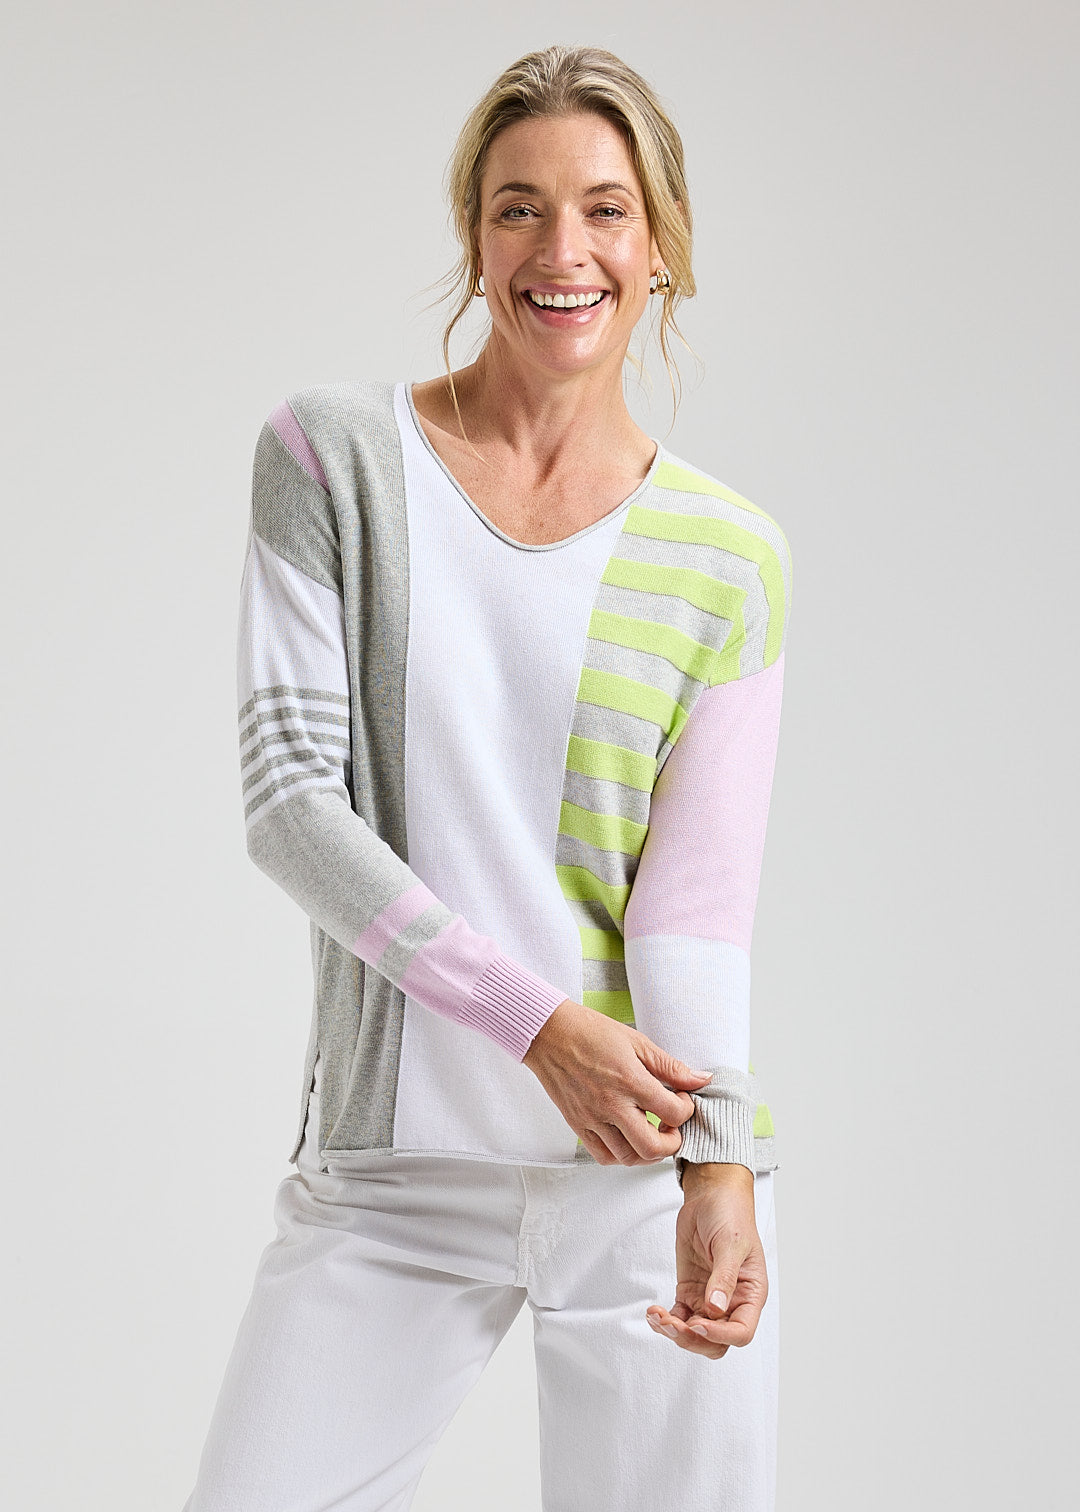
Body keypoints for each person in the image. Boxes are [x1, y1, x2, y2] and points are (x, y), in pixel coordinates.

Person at [183, 42, 793, 1512]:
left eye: (605, 209)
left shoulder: (727, 557)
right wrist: (539, 1029)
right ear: (473, 236)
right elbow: (290, 804)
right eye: (520, 208)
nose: (561, 249)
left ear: (661, 247)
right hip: (394, 1174)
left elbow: (693, 910)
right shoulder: (334, 459)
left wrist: (720, 1165)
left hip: (636, 1173)